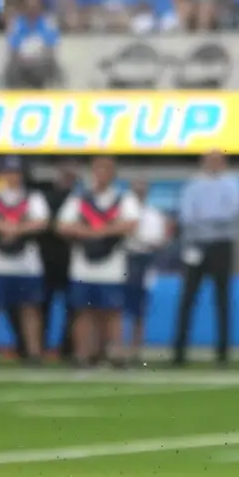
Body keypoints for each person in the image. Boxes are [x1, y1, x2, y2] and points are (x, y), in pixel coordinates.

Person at [56, 157, 140, 368]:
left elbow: (131, 223)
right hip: (83, 264)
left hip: (112, 264)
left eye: (106, 170)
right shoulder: (80, 197)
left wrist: (103, 230)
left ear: (113, 174)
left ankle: (113, 353)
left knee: (112, 312)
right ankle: (83, 354)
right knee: (83, 310)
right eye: (98, 169)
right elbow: (62, 225)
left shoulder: (123, 198)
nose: (102, 174)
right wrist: (87, 232)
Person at [172, 150, 239, 366]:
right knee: (187, 298)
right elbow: (186, 215)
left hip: (221, 245)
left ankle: (222, 352)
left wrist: (204, 218)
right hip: (196, 244)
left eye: (217, 160)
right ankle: (179, 351)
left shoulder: (232, 184)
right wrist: (208, 219)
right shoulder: (193, 184)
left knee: (222, 298)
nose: (212, 164)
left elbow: (230, 213)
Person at [0, 157, 48, 361]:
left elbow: (42, 221)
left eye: (15, 172)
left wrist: (17, 228)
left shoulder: (33, 197)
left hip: (26, 261)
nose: (12, 176)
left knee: (30, 308)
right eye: (8, 172)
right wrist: (6, 227)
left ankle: (33, 352)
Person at [122, 176, 168, 361]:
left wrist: (141, 240)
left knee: (140, 307)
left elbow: (159, 240)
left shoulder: (154, 214)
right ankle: (118, 346)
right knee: (119, 305)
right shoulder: (121, 211)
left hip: (144, 259)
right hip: (125, 258)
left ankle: (135, 347)